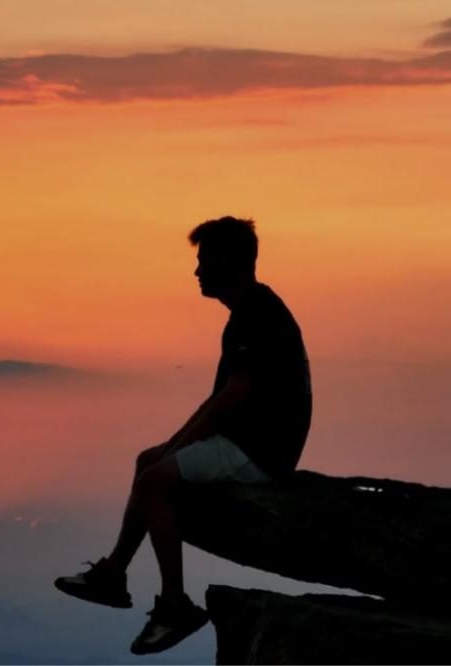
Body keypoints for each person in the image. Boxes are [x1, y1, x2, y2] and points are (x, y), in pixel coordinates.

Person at [54, 216, 313, 655]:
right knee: (147, 462)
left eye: (204, 260)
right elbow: (225, 399)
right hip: (252, 440)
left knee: (153, 482)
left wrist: (176, 449)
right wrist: (172, 447)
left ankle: (174, 606)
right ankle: (114, 574)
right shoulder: (252, 311)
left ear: (230, 261)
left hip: (258, 449)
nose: (197, 272)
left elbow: (235, 395)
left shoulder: (255, 313)